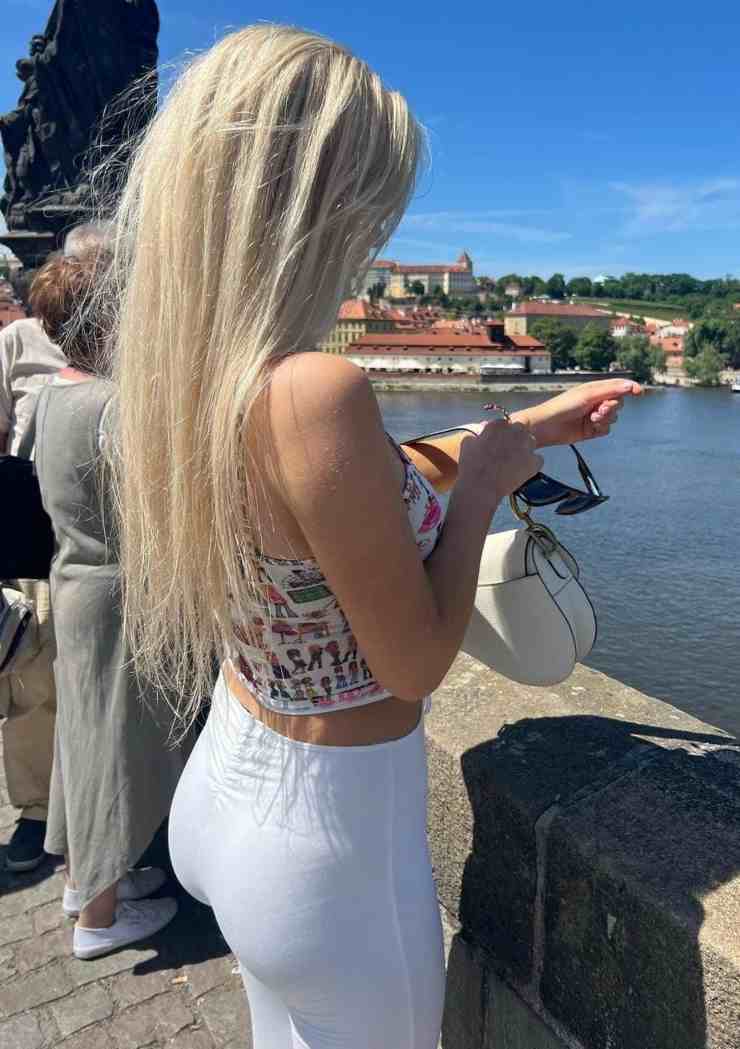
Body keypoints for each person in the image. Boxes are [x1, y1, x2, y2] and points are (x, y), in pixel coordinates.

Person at [102, 25, 640, 1047]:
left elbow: (347, 499)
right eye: (372, 208)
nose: (373, 238)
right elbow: (414, 660)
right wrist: (484, 488)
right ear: (322, 207)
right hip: (331, 838)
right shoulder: (316, 388)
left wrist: (525, 428)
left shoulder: (181, 373)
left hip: (232, 770)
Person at [32, 248, 180, 960]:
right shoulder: (112, 405)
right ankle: (98, 915)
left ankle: (84, 877)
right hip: (116, 594)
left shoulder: (52, 394)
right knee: (116, 748)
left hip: (72, 580)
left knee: (82, 738)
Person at [0, 269, 66, 872]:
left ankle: (114, 808)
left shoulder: (134, 338)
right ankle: (38, 809)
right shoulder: (16, 341)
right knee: (33, 680)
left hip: (108, 536)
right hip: (32, 533)